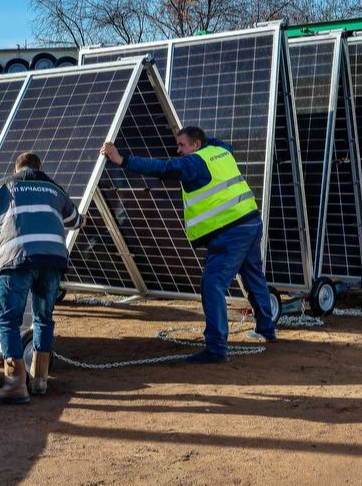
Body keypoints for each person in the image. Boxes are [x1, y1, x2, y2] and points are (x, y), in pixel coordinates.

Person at [101, 125, 276, 363]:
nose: (178, 150)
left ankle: (216, 348)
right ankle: (266, 329)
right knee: (253, 276)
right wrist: (195, 138)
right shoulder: (221, 150)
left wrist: (122, 160)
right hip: (251, 222)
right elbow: (210, 143)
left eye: (182, 145)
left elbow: (162, 168)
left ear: (196, 145)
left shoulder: (194, 163)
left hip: (230, 231)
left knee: (212, 284)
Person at [0, 152, 82, 404]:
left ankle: (15, 383)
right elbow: (75, 220)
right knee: (43, 319)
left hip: (15, 260)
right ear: (38, 167)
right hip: (52, 262)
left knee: (8, 321)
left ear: (16, 168)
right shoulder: (54, 190)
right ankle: (39, 380)